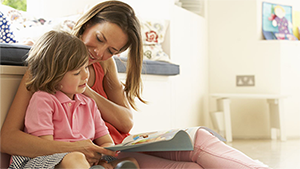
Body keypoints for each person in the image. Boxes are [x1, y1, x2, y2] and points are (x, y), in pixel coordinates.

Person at [0, 0, 270, 168]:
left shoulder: (104, 65)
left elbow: (126, 122)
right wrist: (80, 147)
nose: (99, 52)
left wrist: (88, 92)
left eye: (112, 50)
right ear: (87, 24)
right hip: (92, 156)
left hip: (115, 147)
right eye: (100, 38)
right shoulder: (51, 65)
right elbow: (9, 139)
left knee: (197, 139)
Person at [8, 30, 138, 169]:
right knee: (75, 159)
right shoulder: (43, 100)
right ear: (55, 77)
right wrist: (80, 154)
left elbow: (106, 141)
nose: (85, 76)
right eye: (77, 72)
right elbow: (46, 147)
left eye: (85, 68)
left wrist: (102, 156)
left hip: (82, 161)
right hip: (45, 159)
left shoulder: (89, 103)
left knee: (130, 161)